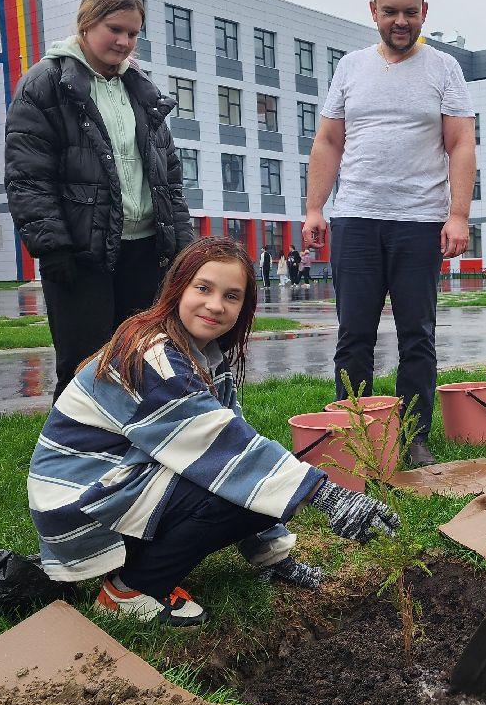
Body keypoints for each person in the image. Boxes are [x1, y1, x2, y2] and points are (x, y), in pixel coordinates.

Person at [26, 236, 400, 625]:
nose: (216, 305)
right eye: (203, 288)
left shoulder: (200, 354)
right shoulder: (155, 357)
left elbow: (235, 444)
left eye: (231, 296)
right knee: (235, 483)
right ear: (177, 288)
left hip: (111, 484)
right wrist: (327, 495)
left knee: (248, 478)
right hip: (77, 501)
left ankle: (146, 564)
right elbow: (226, 454)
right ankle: (130, 590)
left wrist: (274, 557)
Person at [304, 0, 477, 466]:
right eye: (390, 12)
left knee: (416, 335)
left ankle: (414, 436)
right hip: (356, 219)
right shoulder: (350, 68)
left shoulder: (444, 69)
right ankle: (354, 433)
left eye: (410, 12)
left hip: (419, 221)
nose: (400, 21)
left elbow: (461, 143)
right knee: (353, 334)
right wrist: (314, 208)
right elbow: (328, 141)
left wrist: (458, 215)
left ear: (424, 11)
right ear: (373, 11)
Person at [5, 0, 194, 399]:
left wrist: (183, 248)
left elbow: (170, 178)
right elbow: (28, 174)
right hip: (80, 253)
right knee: (84, 369)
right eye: (115, 29)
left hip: (146, 251)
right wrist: (52, 247)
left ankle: (135, 439)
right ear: (86, 23)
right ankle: (73, 443)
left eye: (133, 33)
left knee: (143, 363)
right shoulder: (44, 84)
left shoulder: (140, 89)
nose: (125, 42)